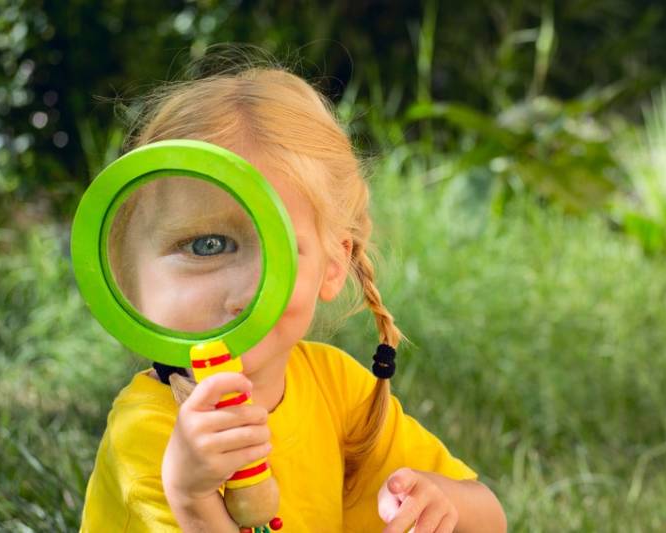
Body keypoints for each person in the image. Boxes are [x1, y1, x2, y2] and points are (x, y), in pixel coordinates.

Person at [80, 58, 507, 533]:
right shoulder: (149, 431)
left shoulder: (336, 387)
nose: (244, 295)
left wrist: (442, 499)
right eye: (206, 245)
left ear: (332, 266)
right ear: (127, 278)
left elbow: (490, 518)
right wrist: (192, 498)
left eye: (281, 250)